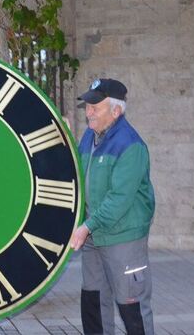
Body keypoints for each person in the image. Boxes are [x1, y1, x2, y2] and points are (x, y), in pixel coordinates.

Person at [70, 78, 155, 335]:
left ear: (116, 111)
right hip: (95, 234)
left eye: (96, 106)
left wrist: (86, 227)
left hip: (123, 237)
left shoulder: (130, 145)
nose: (89, 112)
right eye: (87, 106)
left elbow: (119, 199)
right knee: (93, 302)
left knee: (131, 305)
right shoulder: (89, 137)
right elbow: (76, 178)